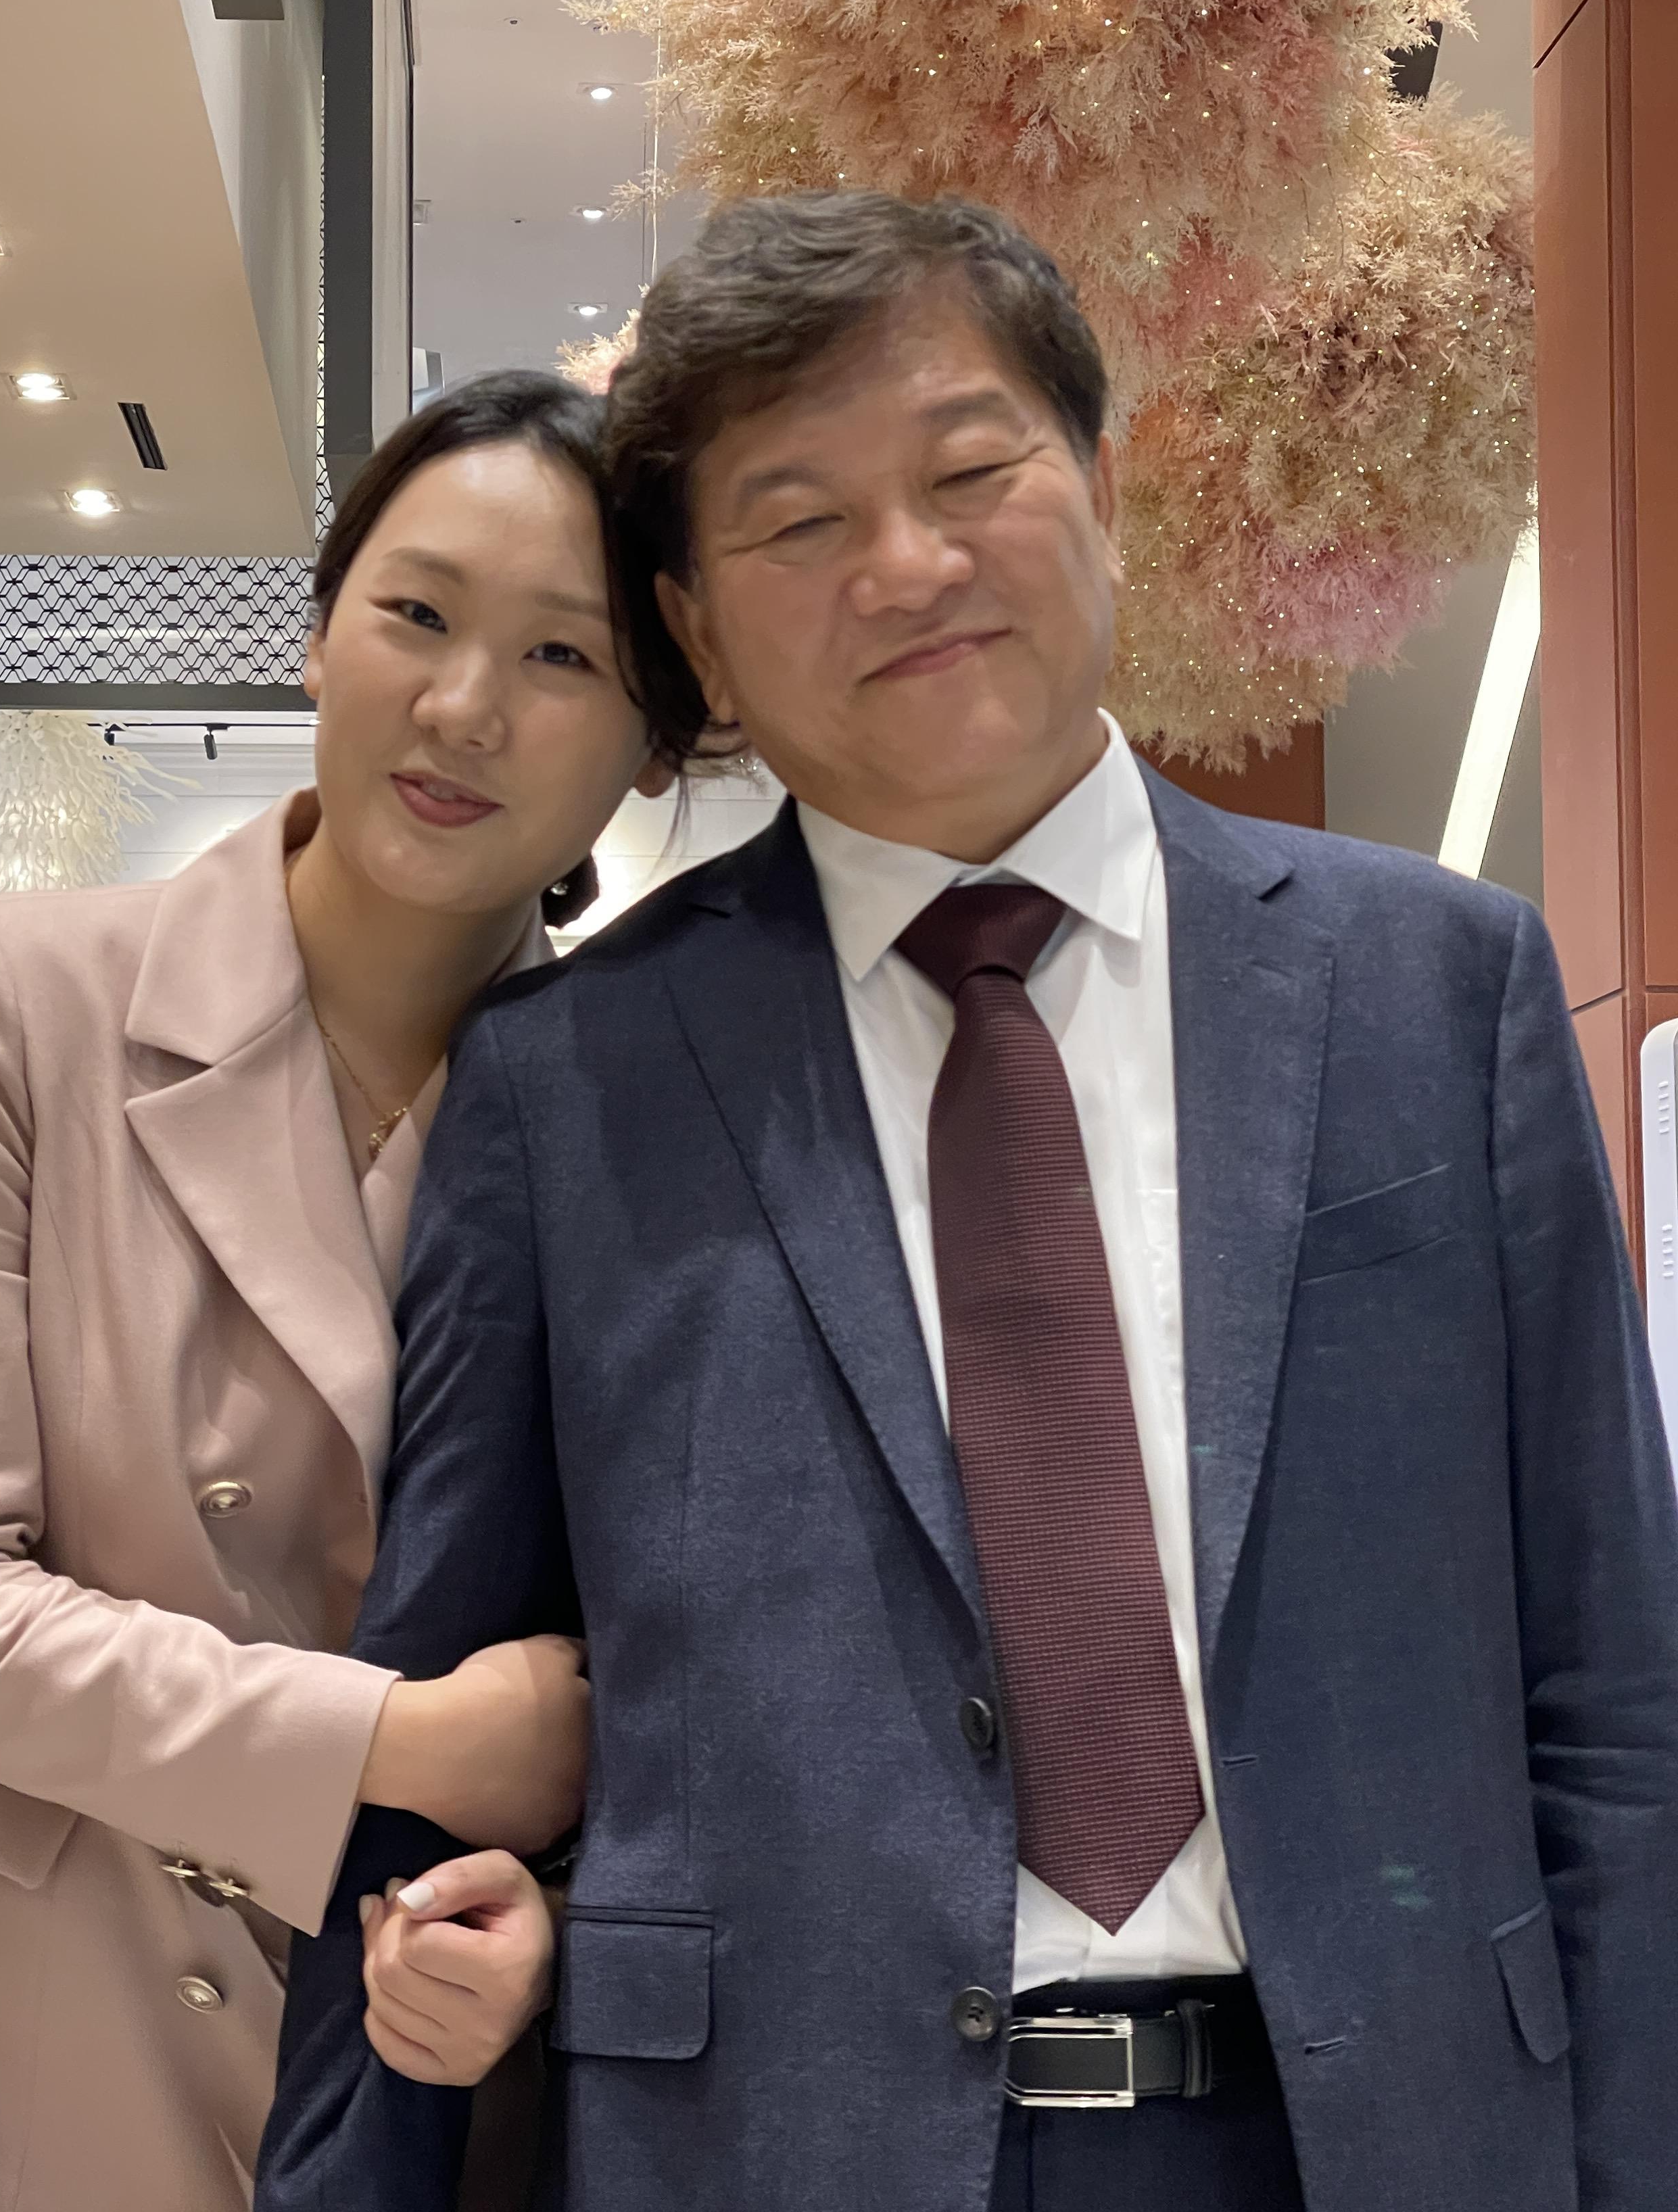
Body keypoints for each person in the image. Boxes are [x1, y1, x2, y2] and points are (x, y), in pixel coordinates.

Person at [260, 191, 1678, 2212]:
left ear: (1099, 485)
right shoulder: (573, 1080)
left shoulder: (1436, 988)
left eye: (967, 471)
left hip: (1388, 2135)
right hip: (770, 2151)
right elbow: (450, 1723)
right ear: (696, 632)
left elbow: (1609, 1693)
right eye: (798, 521)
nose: (908, 567)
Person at [0, 372, 665, 2212]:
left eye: (564, 656)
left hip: (401, 2081)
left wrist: (554, 1929)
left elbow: (685, 1664)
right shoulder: (9, 1003)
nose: (464, 707)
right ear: (316, 634)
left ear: (654, 744)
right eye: (416, 614)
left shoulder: (652, 1116)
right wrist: (397, 1744)